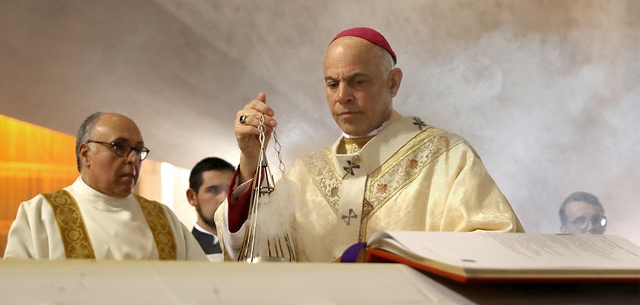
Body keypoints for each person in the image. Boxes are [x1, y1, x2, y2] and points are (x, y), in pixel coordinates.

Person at [216, 27, 524, 263]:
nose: (343, 96)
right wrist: (250, 159)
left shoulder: (447, 157)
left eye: (358, 81)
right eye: (332, 83)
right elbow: (253, 249)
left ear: (393, 82)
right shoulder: (306, 172)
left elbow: (499, 246)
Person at [4, 112, 207, 260]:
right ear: (85, 153)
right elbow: (19, 291)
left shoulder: (164, 219)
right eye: (119, 146)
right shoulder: (40, 214)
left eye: (138, 150)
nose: (133, 158)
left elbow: (202, 286)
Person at [186, 157, 236, 261]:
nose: (224, 199)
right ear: (192, 197)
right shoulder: (184, 250)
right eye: (213, 190)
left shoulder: (256, 246)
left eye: (231, 189)